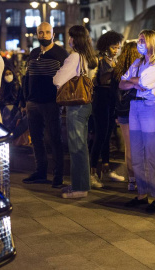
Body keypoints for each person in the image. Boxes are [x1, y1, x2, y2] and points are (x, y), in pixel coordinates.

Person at [119, 29, 155, 213]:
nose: (139, 43)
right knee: (137, 154)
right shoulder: (138, 62)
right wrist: (135, 81)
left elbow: (145, 82)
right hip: (135, 107)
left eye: (142, 40)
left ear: (151, 42)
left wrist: (134, 82)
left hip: (150, 107)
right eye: (139, 40)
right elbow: (122, 83)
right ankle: (142, 194)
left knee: (153, 153)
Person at [53, 25, 97, 198]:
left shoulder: (74, 57)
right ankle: (80, 183)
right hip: (85, 104)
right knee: (81, 146)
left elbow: (57, 80)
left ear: (75, 39)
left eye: (70, 37)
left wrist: (58, 73)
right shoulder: (88, 57)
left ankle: (80, 188)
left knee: (76, 146)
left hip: (75, 106)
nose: (68, 40)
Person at [21, 22, 68, 188]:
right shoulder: (34, 53)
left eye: (47, 32)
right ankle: (40, 172)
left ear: (53, 34)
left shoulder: (61, 54)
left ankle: (58, 176)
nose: (44, 35)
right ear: (37, 34)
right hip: (33, 102)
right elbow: (26, 77)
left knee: (54, 139)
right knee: (36, 139)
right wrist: (25, 99)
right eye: (41, 32)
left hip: (51, 102)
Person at [90, 30, 125, 186]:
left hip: (111, 99)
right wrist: (115, 73)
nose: (116, 50)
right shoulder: (100, 60)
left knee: (108, 135)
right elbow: (100, 79)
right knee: (100, 135)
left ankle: (105, 168)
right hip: (101, 99)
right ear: (105, 46)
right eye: (113, 47)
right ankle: (91, 172)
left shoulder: (114, 60)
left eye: (118, 47)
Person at [112, 42, 141, 191]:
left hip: (123, 111)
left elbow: (114, 93)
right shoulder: (140, 69)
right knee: (141, 146)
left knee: (129, 148)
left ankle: (132, 180)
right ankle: (143, 179)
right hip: (139, 110)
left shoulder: (118, 71)